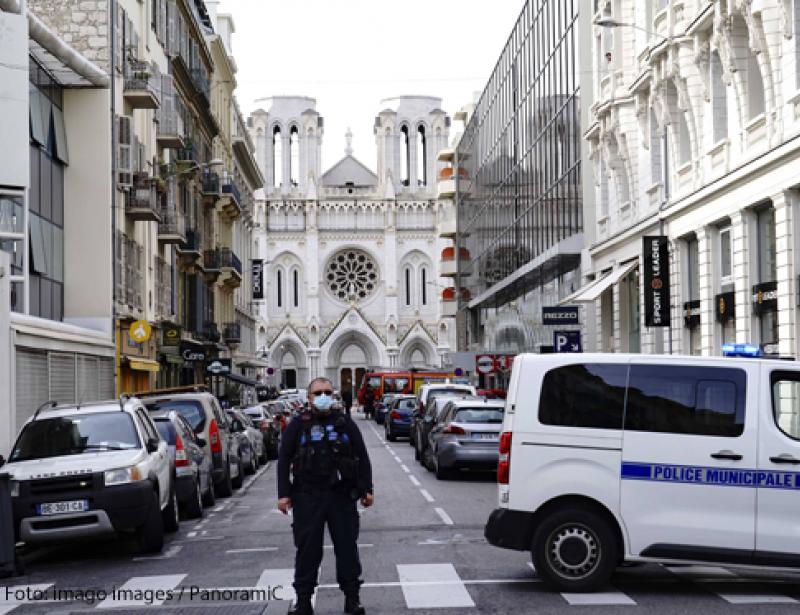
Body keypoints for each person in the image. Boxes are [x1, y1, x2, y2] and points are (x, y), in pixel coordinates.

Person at [277, 377, 374, 615]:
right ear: (309, 398)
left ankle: (352, 599)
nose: (323, 396)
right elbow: (284, 459)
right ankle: (303, 602)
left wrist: (367, 489)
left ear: (333, 395)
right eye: (318, 392)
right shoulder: (298, 424)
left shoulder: (344, 423)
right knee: (307, 551)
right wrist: (283, 494)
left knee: (347, 548)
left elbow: (362, 456)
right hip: (307, 496)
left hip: (341, 496)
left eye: (327, 392)